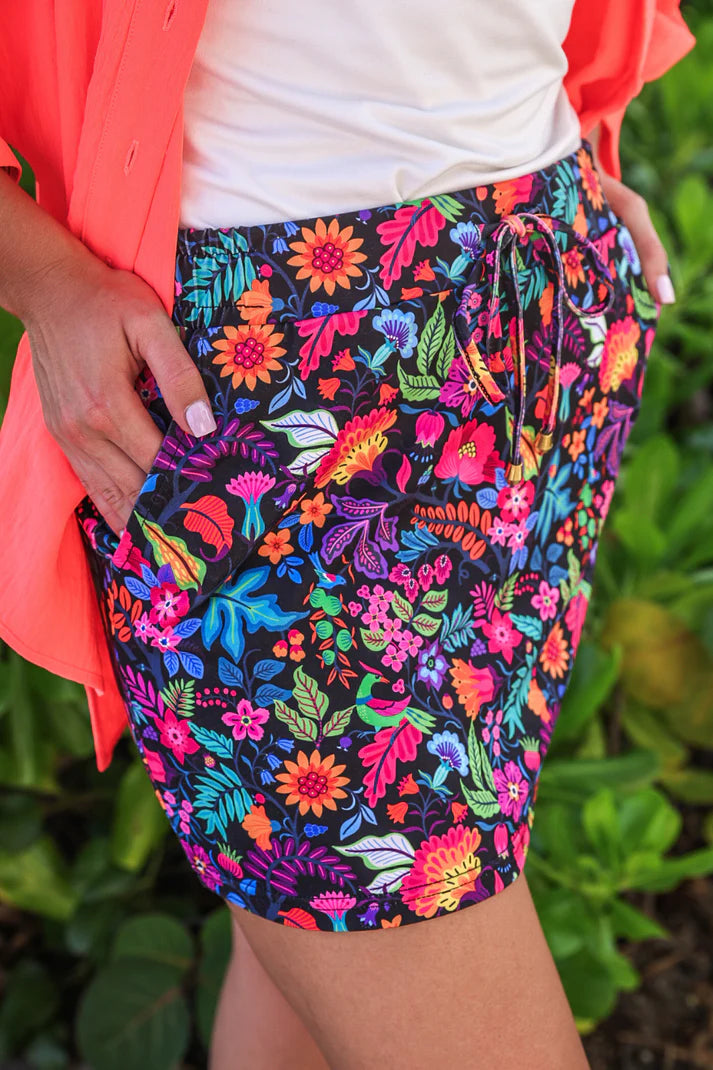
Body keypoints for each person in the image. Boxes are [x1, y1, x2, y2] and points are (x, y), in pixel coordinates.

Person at [0, 2, 696, 1067]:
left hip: (538, 310)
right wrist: (48, 285)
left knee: (305, 967)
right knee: (364, 911)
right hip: (264, 379)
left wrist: (567, 155)